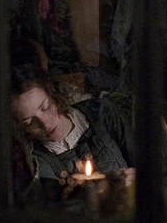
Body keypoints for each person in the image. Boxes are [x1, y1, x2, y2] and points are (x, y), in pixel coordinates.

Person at [10, 63, 135, 211]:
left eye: (45, 107)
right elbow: (58, 207)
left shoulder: (101, 114)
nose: (45, 124)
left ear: (52, 94)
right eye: (29, 122)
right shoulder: (38, 160)